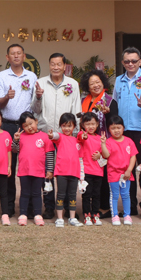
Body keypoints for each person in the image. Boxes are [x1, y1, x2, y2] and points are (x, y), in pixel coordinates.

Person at [32, 53, 81, 219]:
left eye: (59, 64)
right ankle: (49, 206)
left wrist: (75, 134)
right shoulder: (40, 82)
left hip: (66, 137)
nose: (55, 67)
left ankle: (68, 205)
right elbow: (35, 109)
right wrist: (38, 96)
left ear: (64, 65)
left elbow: (77, 110)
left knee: (66, 172)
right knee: (48, 172)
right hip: (46, 133)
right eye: (52, 64)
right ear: (49, 65)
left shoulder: (72, 84)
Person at [112, 47, 141, 220]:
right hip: (124, 133)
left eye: (134, 61)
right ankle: (129, 206)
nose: (130, 64)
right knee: (127, 170)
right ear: (123, 62)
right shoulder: (119, 80)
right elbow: (115, 103)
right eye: (126, 61)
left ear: (140, 62)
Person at [0, 44, 37, 216]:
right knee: (9, 168)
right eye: (13, 54)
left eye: (19, 53)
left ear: (24, 56)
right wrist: (7, 97)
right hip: (8, 125)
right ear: (7, 57)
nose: (16, 56)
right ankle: (9, 206)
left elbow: (35, 102)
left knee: (29, 166)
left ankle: (31, 206)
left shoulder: (32, 76)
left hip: (27, 127)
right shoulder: (2, 77)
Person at [80, 70, 118, 221]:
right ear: (87, 87)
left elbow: (115, 124)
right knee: (88, 175)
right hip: (87, 143)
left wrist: (108, 114)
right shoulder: (84, 100)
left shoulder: (110, 101)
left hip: (103, 143)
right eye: (92, 83)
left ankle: (104, 207)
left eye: (98, 82)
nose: (95, 85)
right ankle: (88, 208)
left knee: (102, 176)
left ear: (103, 83)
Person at [12, 111, 54, 227]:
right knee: (24, 193)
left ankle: (37, 214)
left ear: (36, 121)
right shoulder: (21, 137)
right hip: (24, 171)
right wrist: (15, 140)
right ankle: (23, 214)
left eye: (31, 123)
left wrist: (50, 170)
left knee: (37, 194)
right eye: (25, 126)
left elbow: (50, 154)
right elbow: (14, 150)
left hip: (39, 171)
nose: (29, 127)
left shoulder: (44, 136)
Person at [48, 113, 85, 227]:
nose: (67, 128)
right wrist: (51, 135)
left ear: (74, 126)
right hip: (61, 172)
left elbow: (81, 157)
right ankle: (59, 218)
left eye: (69, 126)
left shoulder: (77, 140)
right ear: (60, 126)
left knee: (72, 195)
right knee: (61, 195)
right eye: (64, 126)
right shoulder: (60, 137)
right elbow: (55, 136)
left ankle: (72, 218)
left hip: (74, 173)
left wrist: (82, 175)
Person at [101, 116, 137, 226]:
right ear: (109, 130)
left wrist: (129, 170)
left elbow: (133, 156)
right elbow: (106, 155)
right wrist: (103, 143)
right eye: (113, 128)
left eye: (119, 127)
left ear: (123, 128)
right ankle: (115, 215)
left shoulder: (129, 141)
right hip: (113, 173)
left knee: (126, 195)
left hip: (126, 174)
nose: (116, 130)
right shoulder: (109, 142)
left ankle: (127, 215)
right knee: (114, 195)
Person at [77, 112, 105, 226]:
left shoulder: (100, 138)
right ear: (83, 125)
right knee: (87, 195)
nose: (91, 126)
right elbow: (81, 137)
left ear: (97, 124)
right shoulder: (82, 135)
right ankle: (87, 215)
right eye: (88, 124)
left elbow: (106, 154)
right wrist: (83, 136)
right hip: (86, 171)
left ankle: (95, 214)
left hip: (98, 171)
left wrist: (100, 155)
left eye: (93, 123)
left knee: (96, 194)